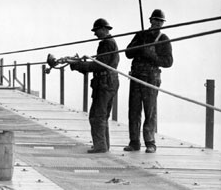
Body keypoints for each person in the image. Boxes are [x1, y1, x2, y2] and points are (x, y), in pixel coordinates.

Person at [124, 9, 173, 153]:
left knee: (150, 111)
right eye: (155, 20)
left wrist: (152, 55)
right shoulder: (140, 35)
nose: (157, 23)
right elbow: (127, 53)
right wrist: (138, 47)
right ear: (150, 20)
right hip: (136, 77)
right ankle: (134, 142)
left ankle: (150, 143)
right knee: (134, 110)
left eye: (160, 21)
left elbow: (168, 61)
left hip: (151, 79)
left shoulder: (163, 39)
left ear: (162, 24)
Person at [70, 18, 120, 153]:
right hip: (110, 82)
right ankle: (103, 144)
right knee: (103, 115)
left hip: (104, 84)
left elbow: (99, 65)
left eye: (96, 30)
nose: (95, 34)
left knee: (96, 115)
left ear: (104, 29)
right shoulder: (111, 43)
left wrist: (78, 65)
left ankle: (100, 146)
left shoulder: (106, 44)